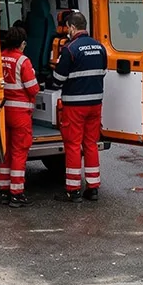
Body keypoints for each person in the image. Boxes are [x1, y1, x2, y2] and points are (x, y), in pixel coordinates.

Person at [50, 12, 107, 202]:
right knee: (90, 144)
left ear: (72, 28)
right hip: (95, 104)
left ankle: (73, 189)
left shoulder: (70, 49)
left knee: (73, 145)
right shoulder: (100, 47)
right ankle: (93, 188)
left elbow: (58, 80)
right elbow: (103, 72)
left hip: (75, 105)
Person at [0, 26, 38, 208]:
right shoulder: (23, 61)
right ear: (22, 43)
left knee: (5, 153)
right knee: (19, 153)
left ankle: (5, 190)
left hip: (2, 111)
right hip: (20, 114)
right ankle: (17, 193)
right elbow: (32, 88)